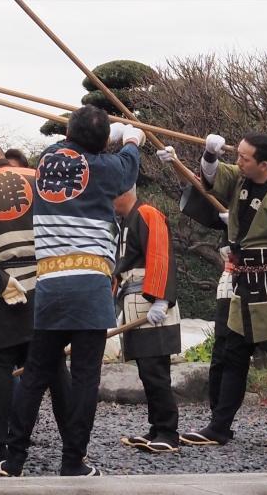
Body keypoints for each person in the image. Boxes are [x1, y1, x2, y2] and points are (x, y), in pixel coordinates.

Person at [0, 107, 146, 478]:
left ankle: (14, 458)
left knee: (35, 374)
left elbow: (77, 146)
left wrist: (109, 135)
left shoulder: (47, 161)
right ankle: (72, 460)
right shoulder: (106, 169)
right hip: (91, 285)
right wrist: (131, 138)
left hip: (50, 284)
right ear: (101, 143)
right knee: (84, 377)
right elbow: (129, 166)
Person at [183, 131, 267, 450]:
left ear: (265, 164)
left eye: (244, 157)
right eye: (237, 155)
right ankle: (219, 427)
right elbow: (213, 178)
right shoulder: (241, 180)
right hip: (244, 284)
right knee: (234, 356)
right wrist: (210, 156)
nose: (238, 160)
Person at [0, 141, 68, 467]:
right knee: (54, 366)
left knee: (1, 367)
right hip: (43, 284)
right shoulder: (37, 179)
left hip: (1, 289)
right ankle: (75, 441)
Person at [113, 188, 181, 455]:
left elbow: (161, 255)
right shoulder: (125, 222)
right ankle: (156, 427)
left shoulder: (147, 213)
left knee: (155, 370)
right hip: (134, 298)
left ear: (125, 191)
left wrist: (161, 299)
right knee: (146, 369)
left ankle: (168, 431)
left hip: (151, 301)